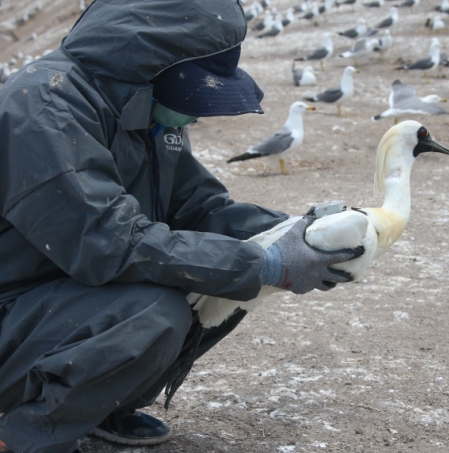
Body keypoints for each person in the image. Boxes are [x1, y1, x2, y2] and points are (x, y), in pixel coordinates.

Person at [0, 1, 362, 452]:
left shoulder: (145, 105)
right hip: (15, 305)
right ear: (151, 67)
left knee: (220, 286)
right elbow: (108, 243)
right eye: (194, 94)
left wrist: (293, 232)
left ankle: (95, 403)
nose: (198, 115)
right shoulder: (44, 107)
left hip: (63, 299)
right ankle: (22, 434)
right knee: (156, 310)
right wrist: (264, 264)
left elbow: (199, 206)